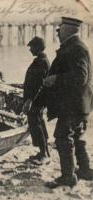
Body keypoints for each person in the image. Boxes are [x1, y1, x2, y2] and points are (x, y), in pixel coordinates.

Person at [44, 17, 93, 188]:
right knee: (77, 136)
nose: (57, 32)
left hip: (74, 105)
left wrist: (56, 79)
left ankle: (68, 176)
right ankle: (86, 170)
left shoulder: (76, 48)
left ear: (68, 30)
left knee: (62, 137)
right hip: (80, 103)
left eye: (60, 28)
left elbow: (81, 77)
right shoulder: (76, 46)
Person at [22, 36, 50, 164]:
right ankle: (44, 152)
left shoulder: (41, 62)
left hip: (37, 100)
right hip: (39, 99)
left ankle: (43, 154)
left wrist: (30, 100)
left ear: (37, 48)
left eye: (31, 47)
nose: (30, 49)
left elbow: (38, 84)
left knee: (36, 124)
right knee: (39, 123)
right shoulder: (42, 60)